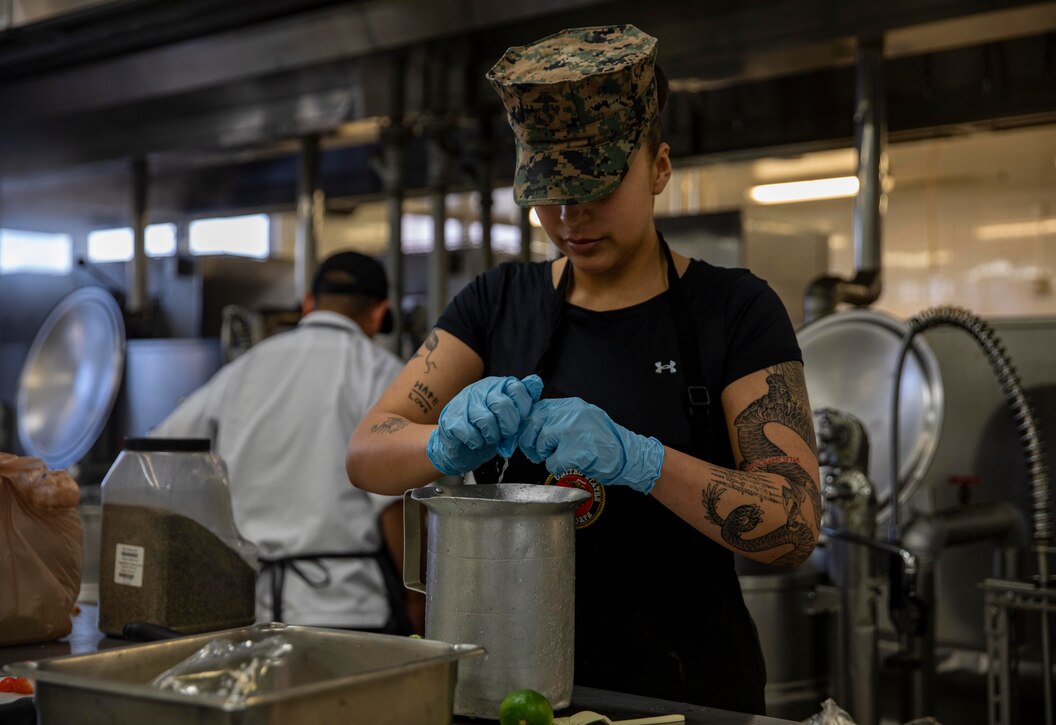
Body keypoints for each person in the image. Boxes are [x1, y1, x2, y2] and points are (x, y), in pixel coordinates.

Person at [346, 25, 820, 714]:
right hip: (512, 692)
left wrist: (645, 460)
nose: (571, 216)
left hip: (686, 697)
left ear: (659, 167)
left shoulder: (734, 310)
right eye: (551, 192)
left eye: (596, 187)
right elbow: (366, 452)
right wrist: (443, 441)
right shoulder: (495, 304)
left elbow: (797, 524)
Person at [154, 251, 422, 634]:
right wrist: (417, 599)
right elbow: (395, 503)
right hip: (345, 610)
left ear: (308, 304)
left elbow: (160, 452)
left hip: (249, 607)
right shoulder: (381, 372)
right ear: (379, 313)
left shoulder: (243, 368)